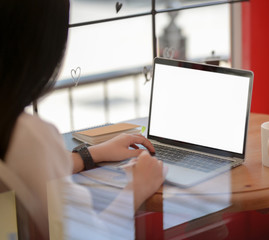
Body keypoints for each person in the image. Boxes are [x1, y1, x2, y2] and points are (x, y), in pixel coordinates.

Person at [0, 0, 165, 238]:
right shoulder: (26, 134)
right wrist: (137, 188)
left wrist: (91, 154)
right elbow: (88, 235)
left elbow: (30, 170)